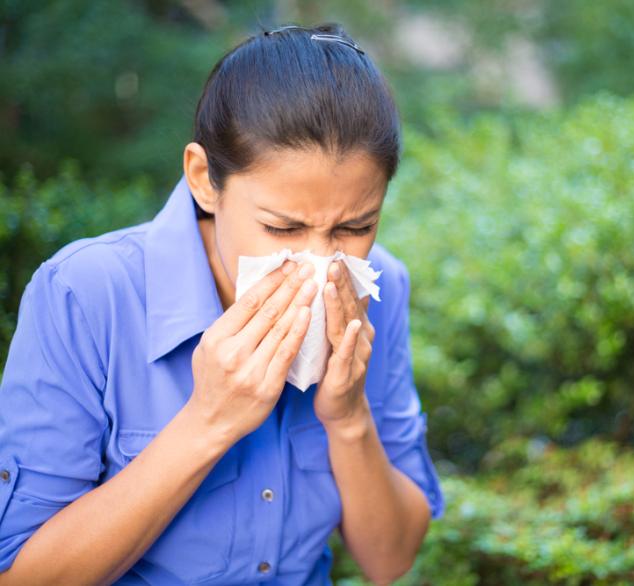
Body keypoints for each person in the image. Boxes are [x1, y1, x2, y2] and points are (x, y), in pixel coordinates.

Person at [0, 22, 445, 585]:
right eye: (282, 227)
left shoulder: (381, 287)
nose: (321, 260)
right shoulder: (85, 294)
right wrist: (209, 421)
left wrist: (350, 418)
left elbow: (392, 559)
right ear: (204, 179)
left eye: (356, 226)